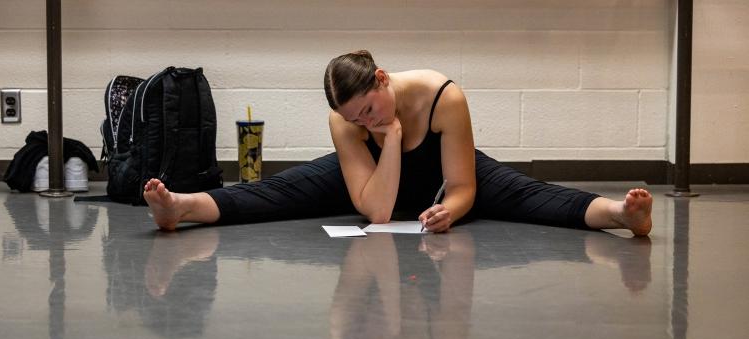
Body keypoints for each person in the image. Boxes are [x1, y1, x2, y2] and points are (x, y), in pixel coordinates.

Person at [143, 50, 652, 236]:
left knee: (529, 195)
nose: (364, 119)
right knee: (276, 192)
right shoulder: (349, 124)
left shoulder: (441, 96)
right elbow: (379, 213)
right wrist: (386, 140)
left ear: (382, 79)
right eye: (353, 118)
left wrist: (451, 210)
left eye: (369, 110)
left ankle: (621, 216)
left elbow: (460, 184)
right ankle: (180, 208)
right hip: (375, 179)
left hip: (445, 173)